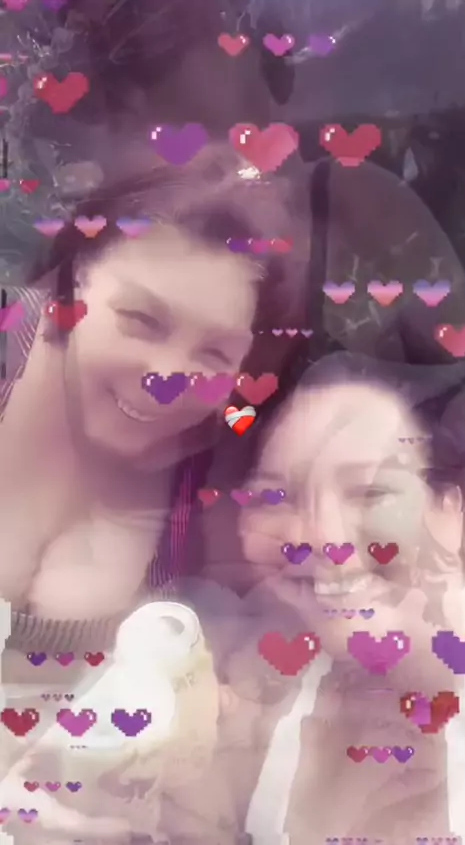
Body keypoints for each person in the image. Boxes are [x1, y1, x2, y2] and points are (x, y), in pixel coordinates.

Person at [0, 140, 310, 842]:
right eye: (141, 321)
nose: (168, 379)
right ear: (75, 283)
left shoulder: (209, 472)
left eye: (213, 354)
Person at [203, 349, 465, 844]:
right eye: (275, 497)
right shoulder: (237, 687)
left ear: (448, 508)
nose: (321, 536)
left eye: (370, 493)